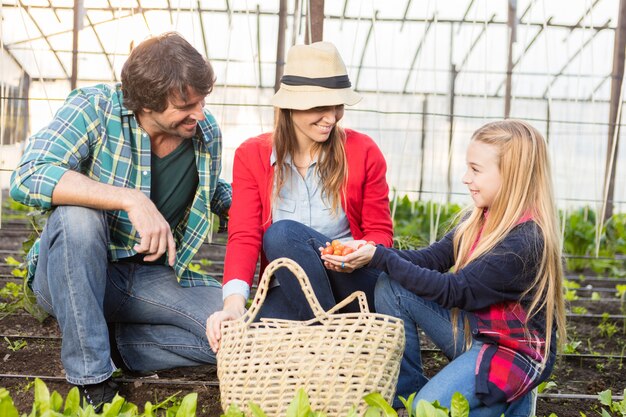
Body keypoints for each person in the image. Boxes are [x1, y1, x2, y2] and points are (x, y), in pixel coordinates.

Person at [10, 32, 231, 411]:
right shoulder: (95, 109)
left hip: (145, 277)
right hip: (69, 271)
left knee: (235, 332)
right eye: (186, 105)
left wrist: (251, 207)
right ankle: (93, 380)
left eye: (202, 100)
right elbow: (29, 174)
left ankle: (117, 344)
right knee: (77, 217)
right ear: (145, 103)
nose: (199, 112)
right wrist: (131, 199)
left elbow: (210, 189)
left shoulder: (204, 133)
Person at [321, 120, 566, 417]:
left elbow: (454, 291)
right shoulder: (480, 220)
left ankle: (513, 396)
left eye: (476, 170)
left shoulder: (524, 242)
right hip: (477, 331)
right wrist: (374, 251)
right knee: (392, 287)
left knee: (431, 409)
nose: (466, 178)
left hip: (510, 352)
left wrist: (380, 257)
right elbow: (431, 259)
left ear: (512, 176)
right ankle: (406, 398)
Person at [206, 41, 393, 352]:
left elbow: (381, 233)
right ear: (290, 105)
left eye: (338, 106)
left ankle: (321, 348)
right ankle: (337, 347)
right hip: (289, 289)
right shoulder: (252, 155)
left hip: (354, 287)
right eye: (320, 106)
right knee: (242, 342)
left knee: (282, 234)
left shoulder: (363, 152)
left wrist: (364, 250)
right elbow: (244, 236)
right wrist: (234, 305)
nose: (331, 117)